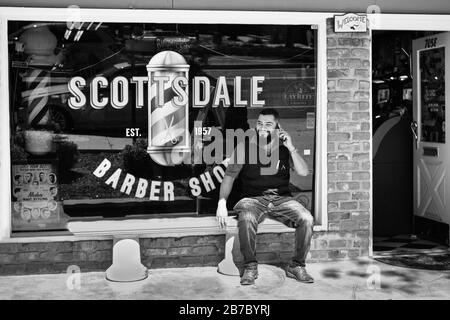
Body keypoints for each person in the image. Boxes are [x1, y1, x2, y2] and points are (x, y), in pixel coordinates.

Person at [216, 108, 314, 285]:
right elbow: (229, 177)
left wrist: (291, 147)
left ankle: (297, 265)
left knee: (306, 218)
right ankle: (250, 266)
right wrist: (221, 203)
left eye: (268, 124)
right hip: (253, 199)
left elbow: (303, 172)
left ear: (278, 128)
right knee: (246, 218)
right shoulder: (244, 148)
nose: (262, 127)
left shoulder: (284, 149)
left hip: (281, 199)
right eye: (259, 123)